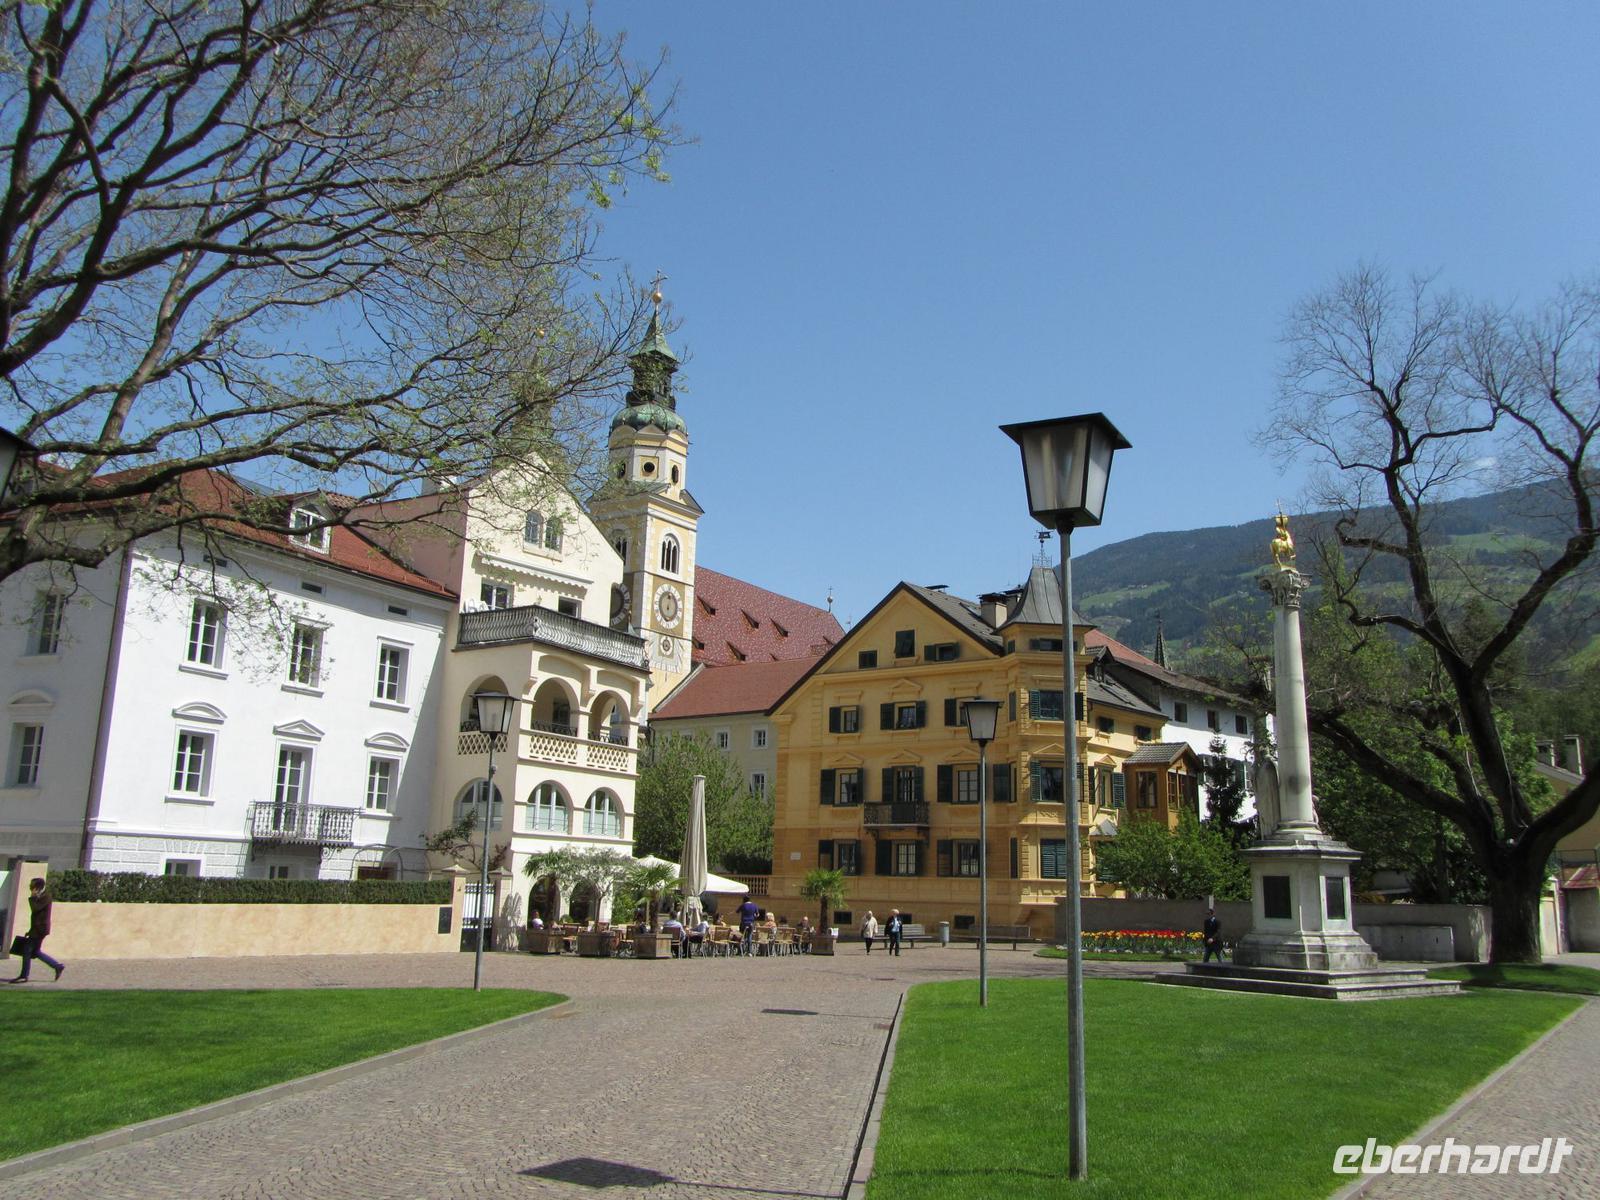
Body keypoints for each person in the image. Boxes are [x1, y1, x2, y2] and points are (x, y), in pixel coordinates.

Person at [10, 878, 64, 983]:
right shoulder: (41, 896)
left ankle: (24, 975)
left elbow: (35, 909)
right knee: (36, 952)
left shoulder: (46, 896)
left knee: (27, 951)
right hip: (36, 929)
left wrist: (32, 897)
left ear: (38, 888)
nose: (32, 890)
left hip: (40, 929)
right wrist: (30, 930)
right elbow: (36, 915)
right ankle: (57, 966)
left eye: (33, 888)